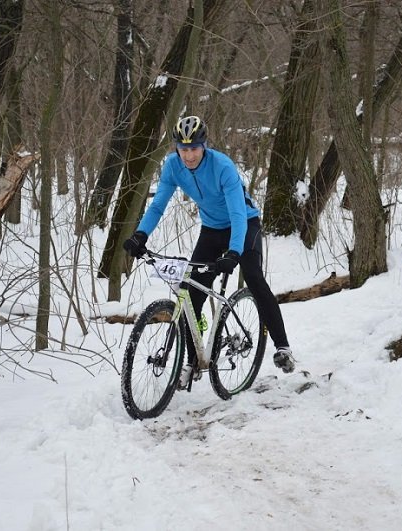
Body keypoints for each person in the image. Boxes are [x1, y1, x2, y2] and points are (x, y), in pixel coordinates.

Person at [123, 115, 295, 383]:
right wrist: (140, 235)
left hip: (244, 225)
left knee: (254, 277)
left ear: (204, 146)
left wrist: (234, 252)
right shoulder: (172, 166)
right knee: (191, 295)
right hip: (212, 230)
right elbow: (158, 205)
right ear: (176, 148)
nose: (188, 155)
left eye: (193, 148)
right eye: (183, 149)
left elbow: (238, 213)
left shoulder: (222, 166)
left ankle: (282, 346)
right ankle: (192, 362)